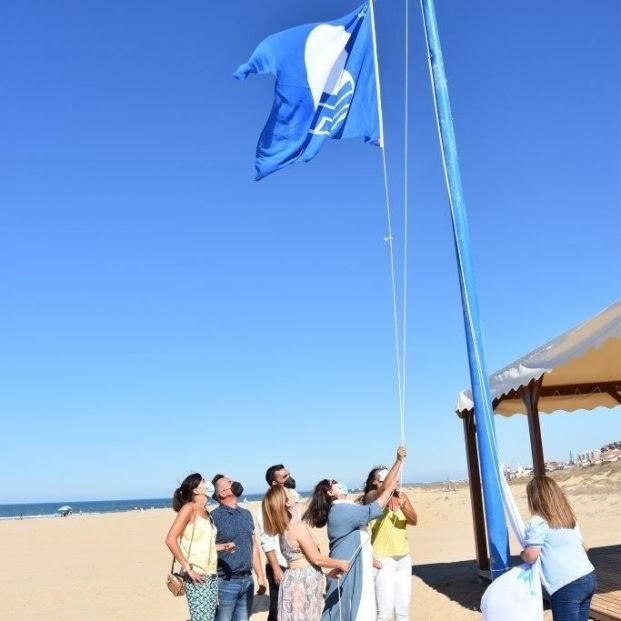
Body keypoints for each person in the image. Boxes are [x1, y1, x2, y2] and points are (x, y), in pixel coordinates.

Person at [304, 471, 398, 621]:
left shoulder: (343, 508)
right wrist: (389, 489)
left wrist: (368, 558)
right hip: (345, 568)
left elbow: (356, 536)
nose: (338, 482)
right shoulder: (341, 509)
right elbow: (373, 510)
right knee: (342, 613)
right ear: (330, 492)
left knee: (351, 610)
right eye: (334, 482)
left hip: (351, 565)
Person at [262, 485, 350, 621]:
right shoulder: (297, 527)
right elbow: (316, 558)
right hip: (303, 583)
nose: (292, 494)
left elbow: (300, 559)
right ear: (286, 502)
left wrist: (326, 572)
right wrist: (340, 563)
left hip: (293, 579)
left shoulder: (282, 528)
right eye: (288, 493)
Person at [521, 476, 596, 621]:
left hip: (566, 583)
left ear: (534, 499)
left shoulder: (538, 522)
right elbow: (584, 548)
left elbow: (531, 555)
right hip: (588, 576)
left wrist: (522, 554)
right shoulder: (568, 519)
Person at [165, 473, 234, 621]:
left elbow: (204, 546)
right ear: (196, 490)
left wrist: (224, 547)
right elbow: (170, 539)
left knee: (209, 617)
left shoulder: (206, 512)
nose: (207, 483)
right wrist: (188, 568)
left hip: (211, 575)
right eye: (203, 481)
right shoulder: (189, 508)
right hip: (196, 576)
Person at [361, 448, 417, 621]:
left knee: (402, 610)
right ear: (374, 482)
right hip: (383, 560)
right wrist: (399, 460)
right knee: (385, 611)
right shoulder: (372, 497)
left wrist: (405, 505)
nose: (391, 479)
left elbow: (414, 520)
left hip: (404, 558)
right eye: (384, 476)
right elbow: (385, 487)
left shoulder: (402, 495)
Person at [211, 474, 267, 621]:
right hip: (225, 583)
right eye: (230, 482)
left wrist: (260, 576)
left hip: (247, 580)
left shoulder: (246, 514)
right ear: (222, 493)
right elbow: (206, 547)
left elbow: (253, 545)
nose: (235, 482)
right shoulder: (213, 517)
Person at [256, 464, 300, 621]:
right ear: (274, 483)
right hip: (280, 564)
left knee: (295, 608)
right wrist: (276, 569)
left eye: (289, 474)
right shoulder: (267, 505)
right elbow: (266, 541)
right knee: (277, 610)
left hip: (297, 563)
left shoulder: (294, 497)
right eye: (284, 477)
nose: (289, 478)